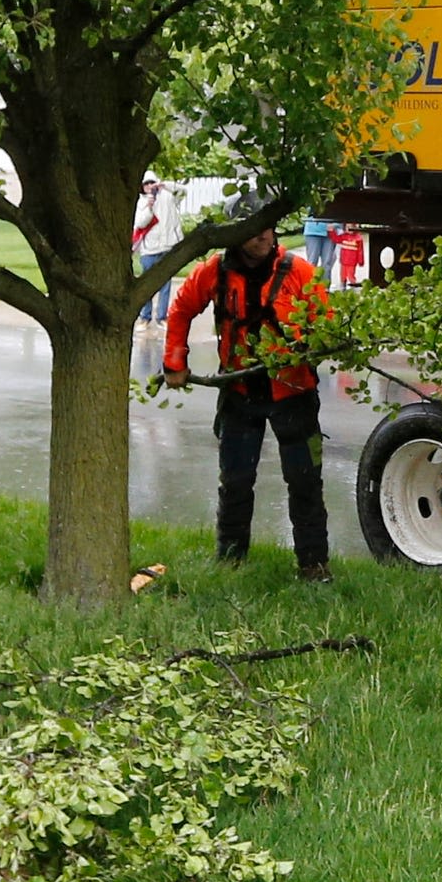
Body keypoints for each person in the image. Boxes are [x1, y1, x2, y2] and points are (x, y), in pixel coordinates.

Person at [160, 216, 334, 582]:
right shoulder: (215, 272)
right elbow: (180, 309)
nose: (263, 237)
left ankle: (314, 566)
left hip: (294, 393)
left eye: (267, 231)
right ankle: (231, 562)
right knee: (236, 481)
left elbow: (327, 323)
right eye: (254, 233)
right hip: (239, 394)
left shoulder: (299, 271)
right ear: (236, 237)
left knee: (305, 482)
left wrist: (312, 345)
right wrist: (175, 360)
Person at [132, 177, 182, 324]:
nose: (149, 186)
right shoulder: (141, 202)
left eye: (151, 182)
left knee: (165, 285)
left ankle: (162, 317)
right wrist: (149, 206)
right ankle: (145, 316)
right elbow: (141, 223)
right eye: (146, 184)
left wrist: (165, 185)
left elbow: (182, 191)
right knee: (146, 284)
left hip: (167, 246)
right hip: (149, 249)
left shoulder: (168, 196)